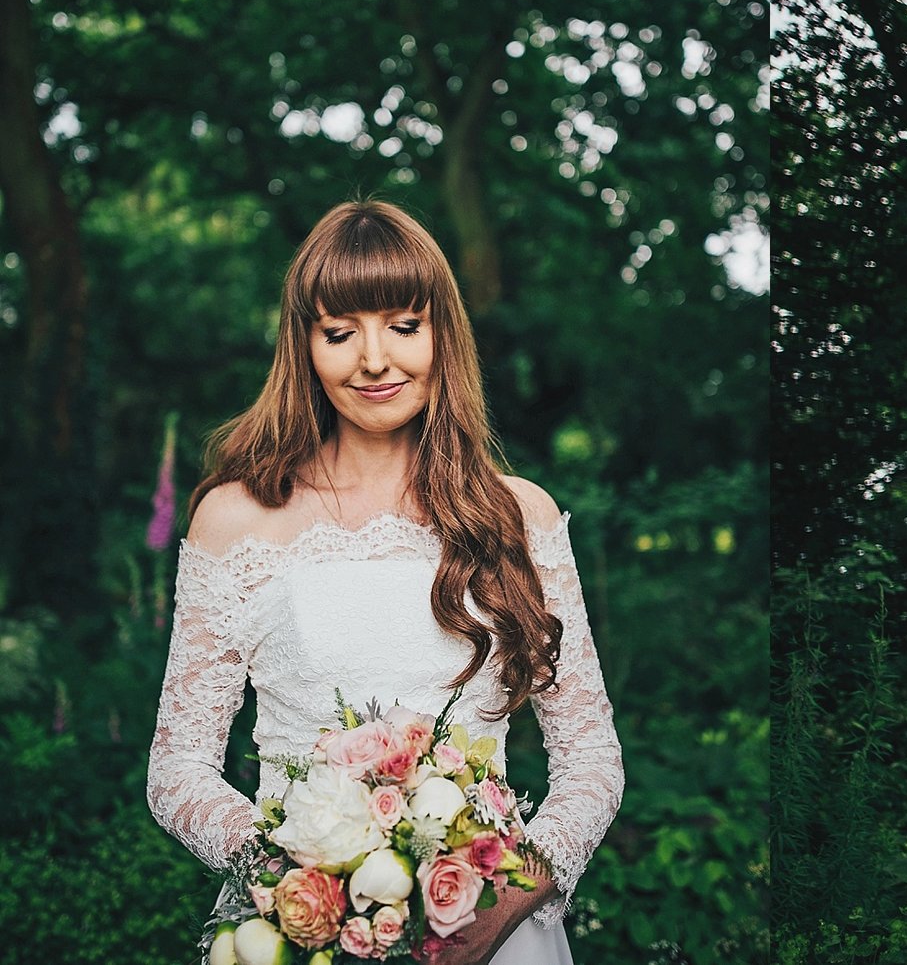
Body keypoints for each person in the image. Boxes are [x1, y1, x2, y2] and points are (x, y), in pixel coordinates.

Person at [147, 201, 624, 965]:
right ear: (304, 346)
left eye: (404, 325)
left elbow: (592, 756)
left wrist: (509, 898)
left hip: (493, 934)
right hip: (296, 932)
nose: (375, 360)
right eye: (340, 333)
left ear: (443, 336)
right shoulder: (233, 520)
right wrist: (295, 879)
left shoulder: (518, 515)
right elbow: (177, 769)